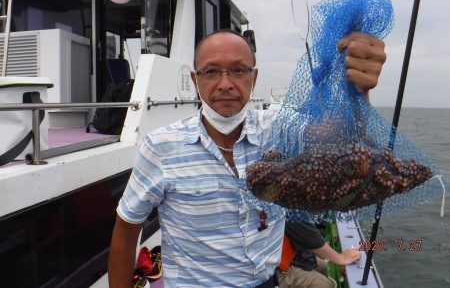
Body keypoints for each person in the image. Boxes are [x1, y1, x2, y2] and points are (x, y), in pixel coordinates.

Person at [108, 29, 387, 288]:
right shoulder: (160, 147)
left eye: (239, 71)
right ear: (196, 80)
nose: (225, 84)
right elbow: (126, 230)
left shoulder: (280, 129)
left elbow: (337, 137)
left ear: (253, 78)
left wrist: (356, 92)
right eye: (212, 72)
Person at [277, 222, 361, 288]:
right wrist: (340, 258)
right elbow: (304, 232)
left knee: (322, 266)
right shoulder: (285, 204)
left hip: (282, 258)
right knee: (324, 285)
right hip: (269, 272)